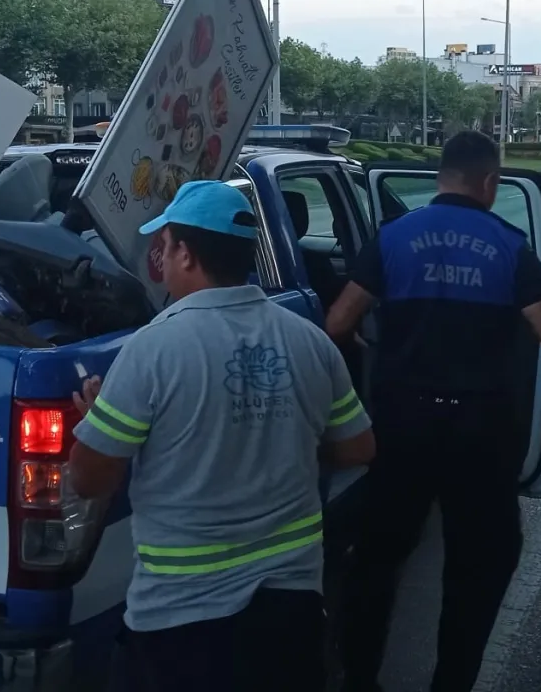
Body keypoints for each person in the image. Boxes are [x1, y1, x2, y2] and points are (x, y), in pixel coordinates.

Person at [64, 180, 376, 692]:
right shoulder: (310, 341)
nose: (160, 258)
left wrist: (99, 423)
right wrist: (283, 431)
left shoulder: (152, 349)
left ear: (186, 254)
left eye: (164, 245)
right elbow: (359, 448)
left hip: (181, 623)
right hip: (291, 613)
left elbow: (88, 480)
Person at [325, 130, 541, 692]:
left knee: (376, 560)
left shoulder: (394, 237)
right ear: (489, 182)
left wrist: (359, 348)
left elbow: (338, 323)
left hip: (402, 428)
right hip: (482, 433)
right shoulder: (510, 245)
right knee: (479, 568)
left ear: (441, 177)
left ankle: (360, 680)